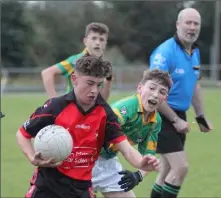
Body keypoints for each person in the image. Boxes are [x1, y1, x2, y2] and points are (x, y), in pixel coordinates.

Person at [16, 56, 159, 198]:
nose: (94, 90)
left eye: (99, 84)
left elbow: (126, 148)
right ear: (74, 79)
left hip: (81, 189)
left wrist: (141, 162)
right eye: (89, 83)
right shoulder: (56, 106)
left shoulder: (105, 113)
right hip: (48, 186)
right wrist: (31, 157)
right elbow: (23, 133)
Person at [149, 8, 213, 198]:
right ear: (178, 25)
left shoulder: (194, 52)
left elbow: (193, 85)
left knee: (167, 170)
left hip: (179, 115)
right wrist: (175, 121)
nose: (192, 27)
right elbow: (153, 94)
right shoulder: (165, 52)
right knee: (180, 168)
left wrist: (200, 116)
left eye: (196, 24)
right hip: (160, 115)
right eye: (188, 22)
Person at [92, 69, 172, 198]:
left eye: (162, 92)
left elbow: (148, 159)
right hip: (85, 158)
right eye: (152, 88)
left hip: (108, 161)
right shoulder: (126, 108)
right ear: (140, 88)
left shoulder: (155, 122)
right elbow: (98, 131)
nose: (156, 94)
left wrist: (137, 176)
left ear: (165, 98)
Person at [41, 22, 112, 101]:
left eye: (101, 39)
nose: (98, 43)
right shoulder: (76, 61)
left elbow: (103, 99)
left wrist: (108, 81)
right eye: (94, 38)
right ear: (85, 41)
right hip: (72, 109)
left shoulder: (104, 66)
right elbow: (47, 73)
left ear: (105, 44)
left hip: (90, 111)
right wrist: (53, 101)